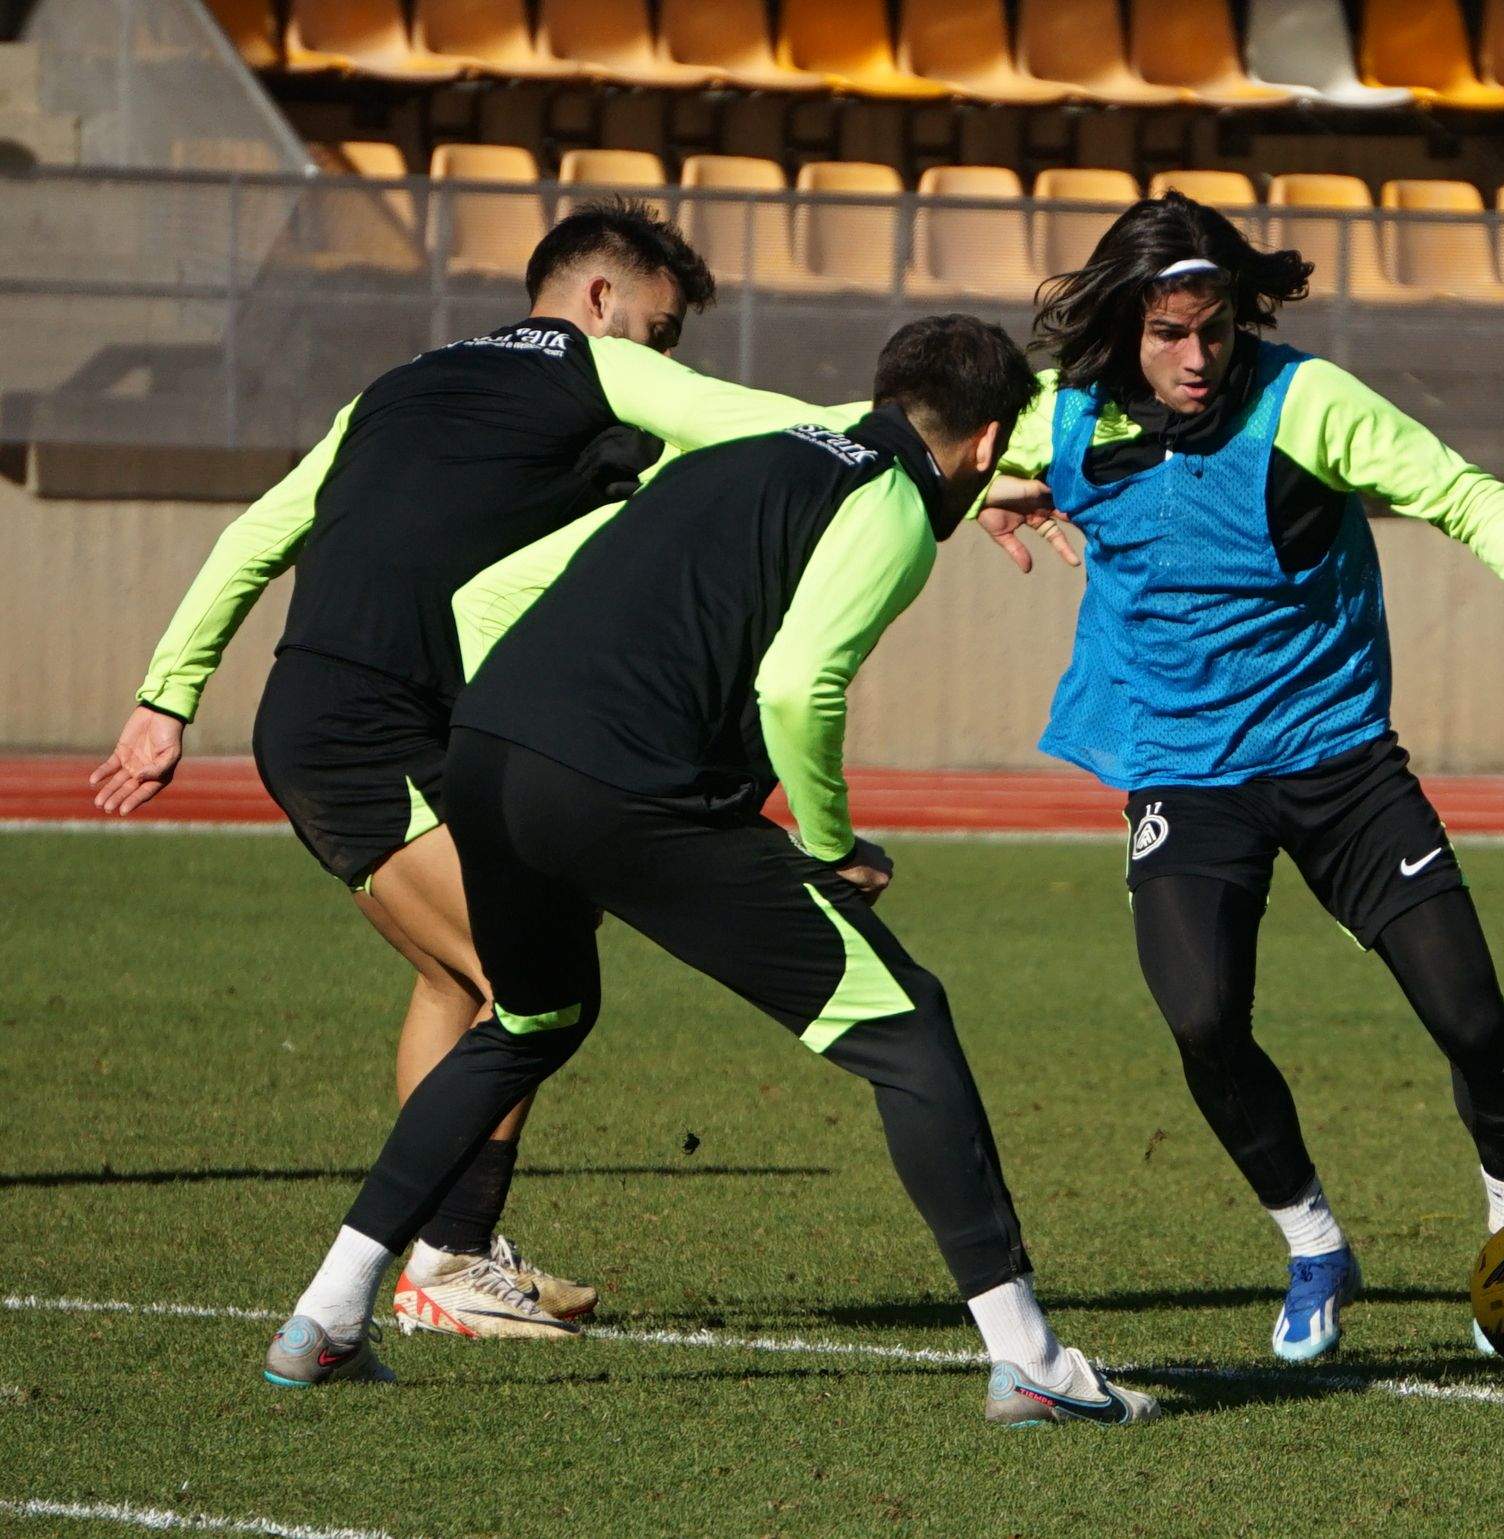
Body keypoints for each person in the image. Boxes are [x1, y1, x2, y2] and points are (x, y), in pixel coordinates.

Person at [263, 314, 1160, 1428]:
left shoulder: (744, 457)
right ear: (986, 445)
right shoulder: (884, 505)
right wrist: (830, 847)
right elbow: (799, 688)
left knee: (535, 1020)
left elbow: (487, 600)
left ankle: (327, 1318)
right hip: (620, 784)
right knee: (910, 1031)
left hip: (488, 754)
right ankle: (1028, 1359)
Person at [92, 199, 829, 1339]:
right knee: (528, 986)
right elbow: (770, 427)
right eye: (660, 329)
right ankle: (442, 1262)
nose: (664, 357)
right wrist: (942, 456)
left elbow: (254, 536)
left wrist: (165, 699)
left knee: (458, 981)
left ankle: (453, 1249)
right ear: (597, 299)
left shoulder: (393, 387)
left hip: (349, 716)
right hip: (368, 731)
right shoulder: (590, 365)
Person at [978, 193, 1504, 1362]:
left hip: (1339, 761)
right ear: (1126, 322)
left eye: (1214, 329)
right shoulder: (1062, 416)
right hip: (1185, 769)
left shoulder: (1305, 401)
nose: (1195, 356)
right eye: (1170, 332)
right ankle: (1315, 1245)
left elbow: (1455, 490)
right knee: (1202, 1019)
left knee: (1476, 1025)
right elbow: (934, 446)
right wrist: (976, 485)